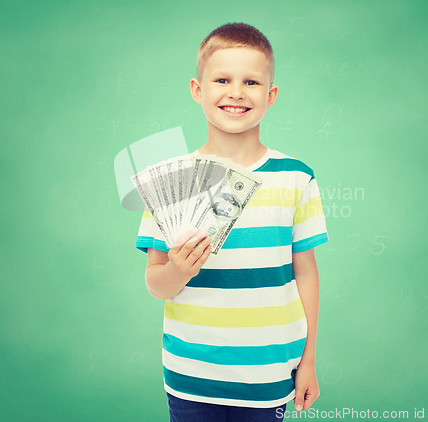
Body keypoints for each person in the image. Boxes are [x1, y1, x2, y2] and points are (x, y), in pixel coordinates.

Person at [136, 22, 329, 421]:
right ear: (197, 90)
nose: (237, 92)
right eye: (222, 79)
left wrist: (308, 360)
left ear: (271, 95)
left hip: (271, 373)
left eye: (252, 82)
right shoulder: (171, 181)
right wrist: (177, 270)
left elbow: (306, 274)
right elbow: (156, 283)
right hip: (191, 373)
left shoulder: (296, 177)